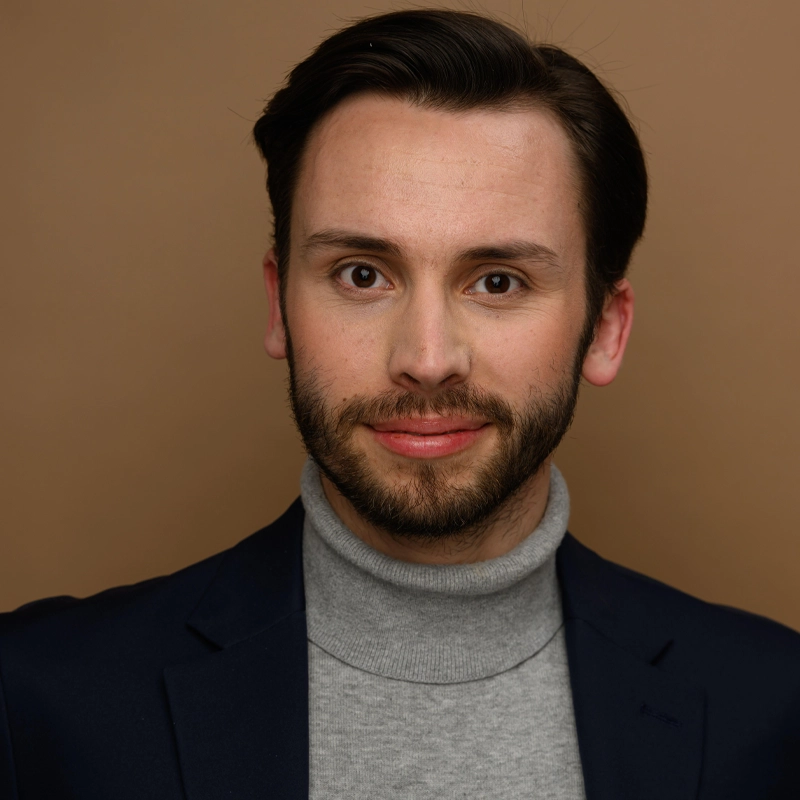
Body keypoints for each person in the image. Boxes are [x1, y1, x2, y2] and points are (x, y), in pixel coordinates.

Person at [1, 8, 798, 799]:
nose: (425, 360)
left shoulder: (775, 710)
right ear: (280, 306)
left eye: (498, 282)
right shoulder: (35, 700)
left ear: (605, 330)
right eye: (362, 275)